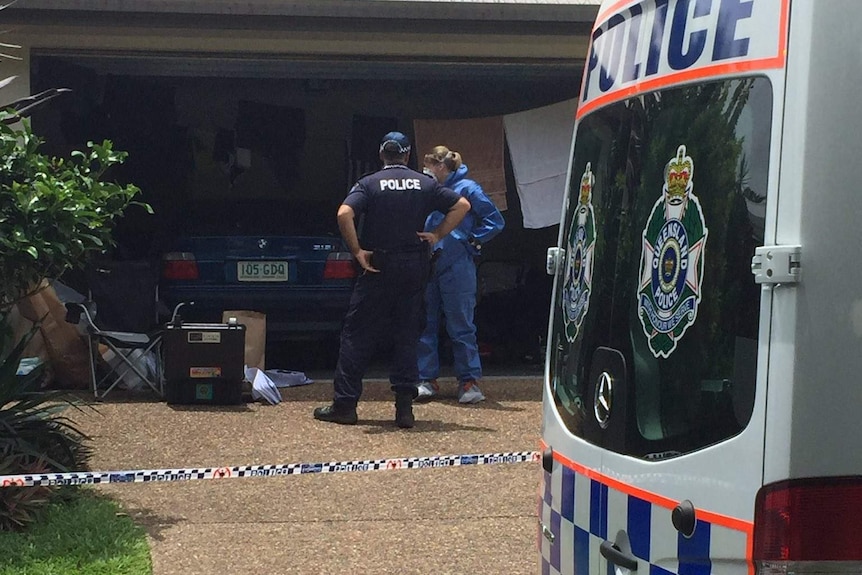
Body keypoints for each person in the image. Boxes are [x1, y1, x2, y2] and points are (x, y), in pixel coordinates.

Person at [313, 132, 470, 428]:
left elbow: (344, 213)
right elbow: (462, 206)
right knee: (407, 335)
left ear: (381, 154)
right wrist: (437, 235)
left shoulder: (369, 183)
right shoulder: (425, 183)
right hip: (413, 267)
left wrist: (357, 251)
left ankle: (345, 405)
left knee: (357, 335)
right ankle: (404, 410)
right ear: (407, 155)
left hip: (378, 266)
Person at [416, 146, 505, 403]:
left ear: (441, 167)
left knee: (462, 325)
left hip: (457, 263)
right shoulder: (426, 189)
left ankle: (469, 382)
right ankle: (426, 379)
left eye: (429, 166)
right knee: (425, 322)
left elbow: (494, 220)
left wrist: (473, 241)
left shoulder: (468, 188)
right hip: (428, 261)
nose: (426, 171)